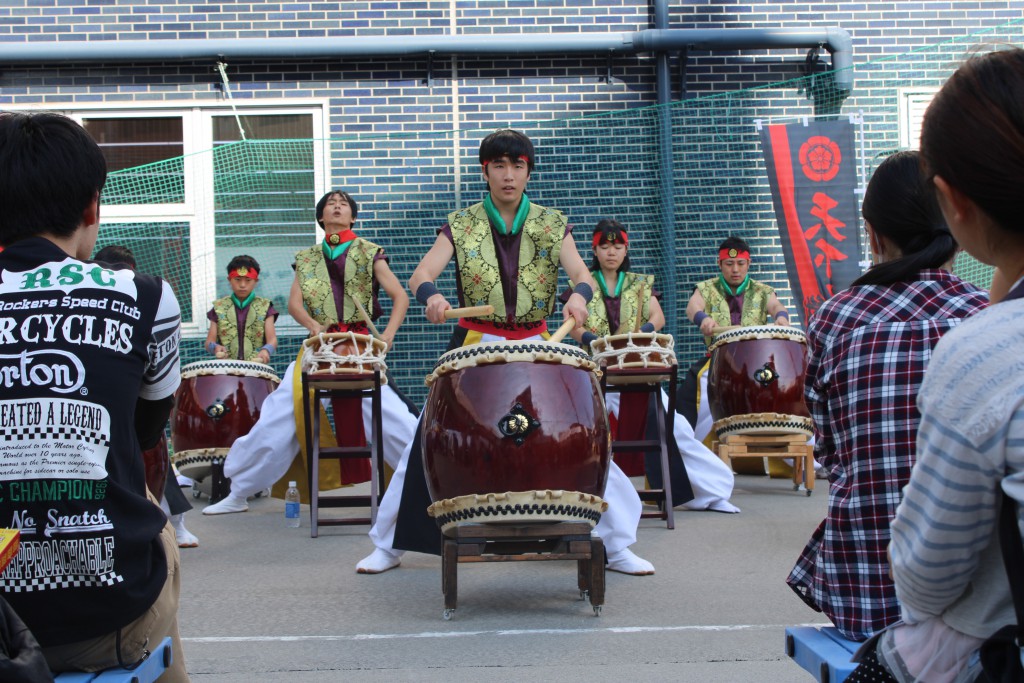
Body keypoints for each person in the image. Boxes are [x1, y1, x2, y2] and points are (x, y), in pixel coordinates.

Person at [356, 129, 656, 576]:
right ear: (486, 171)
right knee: (430, 436)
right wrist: (431, 297)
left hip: (538, 340)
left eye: (517, 166)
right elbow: (422, 273)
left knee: (576, 431)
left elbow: (580, 273)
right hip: (477, 341)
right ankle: (387, 544)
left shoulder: (553, 223)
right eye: (499, 166)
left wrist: (578, 295)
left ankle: (614, 544)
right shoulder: (461, 224)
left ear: (528, 171)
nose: (509, 176)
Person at [844, 48, 1024, 682]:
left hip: (880, 581)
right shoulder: (974, 313)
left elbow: (924, 580)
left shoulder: (986, 348)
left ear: (953, 200)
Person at [0, 112, 189, 680]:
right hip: (107, 614)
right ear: (91, 209)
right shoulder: (147, 297)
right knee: (155, 521)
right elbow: (147, 430)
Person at [785, 150, 987, 642]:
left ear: (872, 234)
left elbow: (832, 454)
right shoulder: (989, 314)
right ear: (956, 224)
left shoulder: (835, 317)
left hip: (866, 587)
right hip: (978, 598)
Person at [203, 190, 417, 515]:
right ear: (321, 217)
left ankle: (425, 481)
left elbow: (400, 296)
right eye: (331, 203)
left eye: (343, 204)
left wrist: (387, 335)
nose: (337, 206)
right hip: (319, 348)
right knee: (280, 414)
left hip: (359, 346)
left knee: (390, 415)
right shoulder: (307, 258)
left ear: (353, 217)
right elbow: (294, 303)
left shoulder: (369, 252)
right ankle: (239, 490)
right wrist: (312, 324)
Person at [566, 219, 739, 513]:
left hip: (636, 374)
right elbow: (572, 327)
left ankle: (711, 492)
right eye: (604, 246)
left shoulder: (640, 283)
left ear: (626, 249)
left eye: (617, 246)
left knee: (677, 430)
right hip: (596, 377)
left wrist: (642, 331)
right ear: (594, 250)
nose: (611, 252)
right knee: (579, 432)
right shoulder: (581, 286)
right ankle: (576, 501)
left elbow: (658, 317)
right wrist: (592, 338)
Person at [94, 244, 200, 549]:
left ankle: (175, 521)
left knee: (150, 442)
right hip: (105, 413)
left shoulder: (145, 301)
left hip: (132, 404)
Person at [205, 254, 278, 364]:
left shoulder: (266, 307)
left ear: (256, 281)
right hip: (227, 366)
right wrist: (215, 347)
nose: (242, 285)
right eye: (237, 279)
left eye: (248, 280)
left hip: (256, 366)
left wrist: (266, 350)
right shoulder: (219, 307)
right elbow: (209, 342)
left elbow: (272, 339)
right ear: (229, 280)